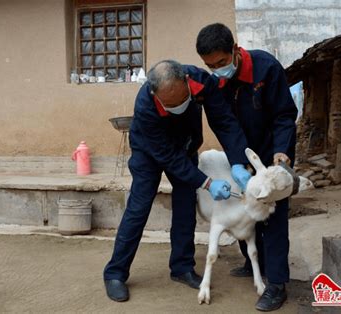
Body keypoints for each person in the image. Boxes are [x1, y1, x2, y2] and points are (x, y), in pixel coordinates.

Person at [103, 60, 252, 302]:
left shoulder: (201, 82)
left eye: (183, 100)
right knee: (138, 208)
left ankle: (182, 267)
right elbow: (167, 157)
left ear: (186, 82)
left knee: (185, 207)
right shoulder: (145, 104)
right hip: (149, 152)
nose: (179, 107)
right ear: (155, 95)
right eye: (170, 105)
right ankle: (115, 273)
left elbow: (223, 121)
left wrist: (237, 160)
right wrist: (206, 182)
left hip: (185, 145)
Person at [196, 23, 297, 312]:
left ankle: (276, 284)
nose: (217, 69)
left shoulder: (267, 68)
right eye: (210, 65)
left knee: (273, 214)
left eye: (222, 62)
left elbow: (284, 114)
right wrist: (238, 160)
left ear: (236, 51)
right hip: (241, 155)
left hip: (274, 153)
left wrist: (281, 153)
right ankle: (252, 260)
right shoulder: (215, 83)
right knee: (244, 206)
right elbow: (224, 124)